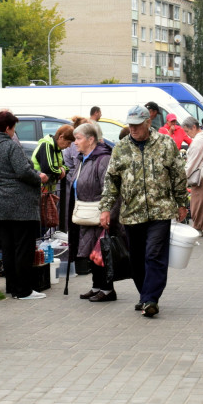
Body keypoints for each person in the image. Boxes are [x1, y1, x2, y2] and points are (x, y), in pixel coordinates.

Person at [99, 106, 187, 317]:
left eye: (137, 125)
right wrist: (105, 208)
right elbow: (111, 180)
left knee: (154, 254)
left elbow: (178, 174)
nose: (133, 128)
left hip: (160, 211)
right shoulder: (121, 148)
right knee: (136, 258)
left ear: (148, 122)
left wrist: (182, 202)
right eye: (130, 125)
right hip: (132, 212)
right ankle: (144, 295)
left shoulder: (165, 144)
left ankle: (150, 299)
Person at [0, 110, 50, 300]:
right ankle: (24, 290)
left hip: (1, 203)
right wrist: (39, 178)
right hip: (21, 203)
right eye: (13, 128)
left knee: (8, 248)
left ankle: (12, 287)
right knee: (23, 247)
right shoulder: (10, 146)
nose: (14, 131)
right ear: (7, 128)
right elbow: (23, 171)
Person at [72, 122, 117, 302]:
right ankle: (96, 286)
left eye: (78, 138)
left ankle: (107, 289)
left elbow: (109, 187)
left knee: (102, 252)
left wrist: (107, 211)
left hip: (98, 213)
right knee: (91, 252)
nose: (75, 142)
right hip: (86, 212)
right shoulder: (83, 158)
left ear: (91, 140)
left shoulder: (102, 159)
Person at [32, 124, 74, 192]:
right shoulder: (46, 145)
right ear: (61, 137)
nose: (69, 146)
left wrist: (63, 169)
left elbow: (65, 166)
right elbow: (48, 169)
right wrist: (61, 171)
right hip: (39, 189)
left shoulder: (57, 148)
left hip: (48, 189)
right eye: (68, 142)